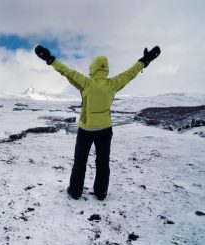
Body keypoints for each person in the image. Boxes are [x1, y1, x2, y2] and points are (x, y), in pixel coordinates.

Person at [35, 45, 161, 200]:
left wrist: (50, 59)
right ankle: (101, 192)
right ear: (106, 69)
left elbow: (66, 71)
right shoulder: (113, 84)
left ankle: (75, 191)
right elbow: (130, 73)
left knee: (80, 162)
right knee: (103, 162)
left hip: (86, 130)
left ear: (93, 68)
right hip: (105, 130)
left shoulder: (85, 83)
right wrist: (145, 60)